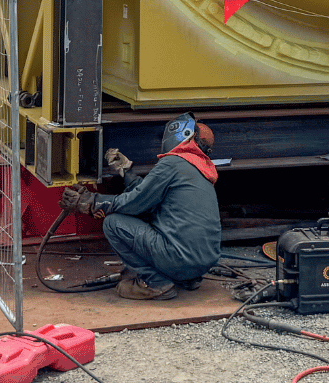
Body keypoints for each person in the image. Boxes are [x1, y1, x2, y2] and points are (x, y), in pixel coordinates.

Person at [61, 112, 221, 300]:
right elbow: (149, 198)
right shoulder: (199, 169)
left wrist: (92, 202)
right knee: (152, 219)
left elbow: (135, 203)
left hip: (179, 258)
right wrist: (127, 172)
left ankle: (155, 284)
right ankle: (187, 279)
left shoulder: (173, 163)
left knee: (113, 223)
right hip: (203, 263)